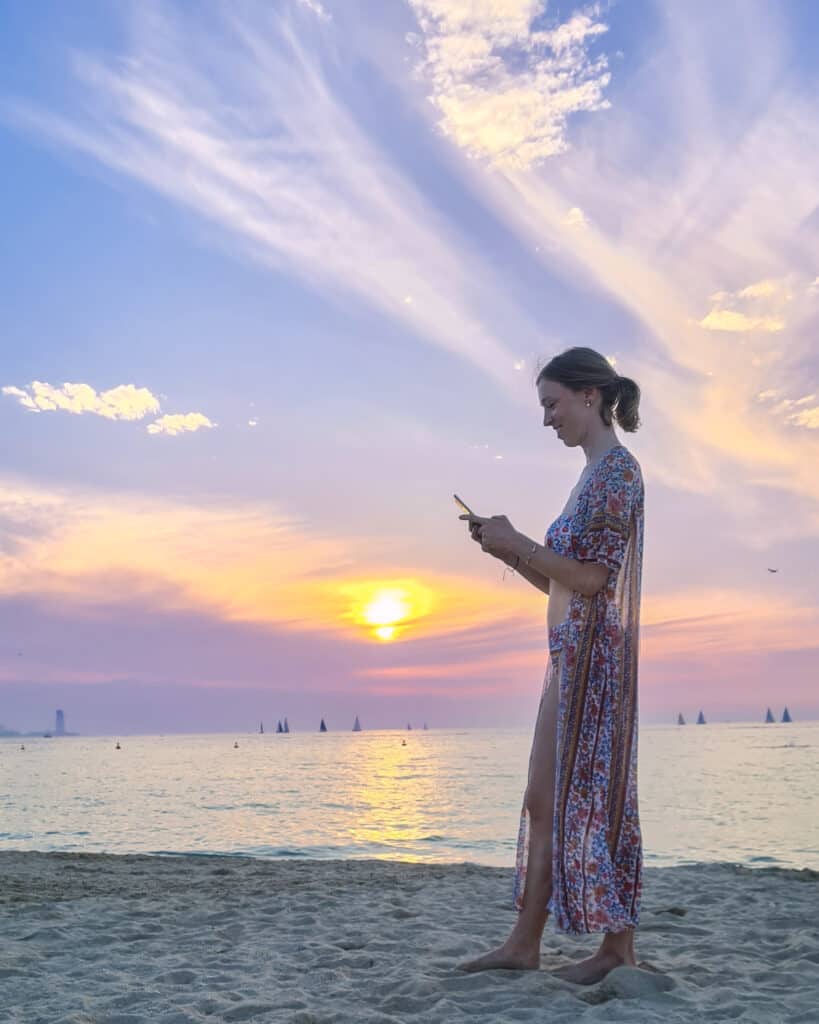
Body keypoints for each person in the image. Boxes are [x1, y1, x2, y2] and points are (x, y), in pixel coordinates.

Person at [458, 346, 644, 985]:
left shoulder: (618, 473)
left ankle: (617, 948)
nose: (546, 420)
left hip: (596, 662)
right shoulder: (589, 476)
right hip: (567, 656)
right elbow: (563, 586)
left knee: (597, 800)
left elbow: (595, 579)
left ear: (589, 396)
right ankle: (524, 943)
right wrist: (508, 555)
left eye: (551, 404)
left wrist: (522, 543)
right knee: (545, 800)